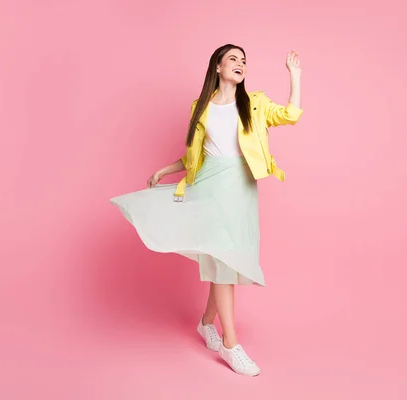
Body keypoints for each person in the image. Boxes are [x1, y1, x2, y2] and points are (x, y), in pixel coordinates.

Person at [110, 44, 302, 376]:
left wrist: (295, 77)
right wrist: (166, 170)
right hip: (209, 186)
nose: (240, 64)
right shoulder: (200, 108)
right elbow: (194, 156)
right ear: (217, 66)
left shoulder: (254, 103)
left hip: (239, 189)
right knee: (221, 260)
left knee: (223, 260)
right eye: (233, 59)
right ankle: (230, 343)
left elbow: (289, 115)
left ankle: (205, 324)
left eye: (244, 61)